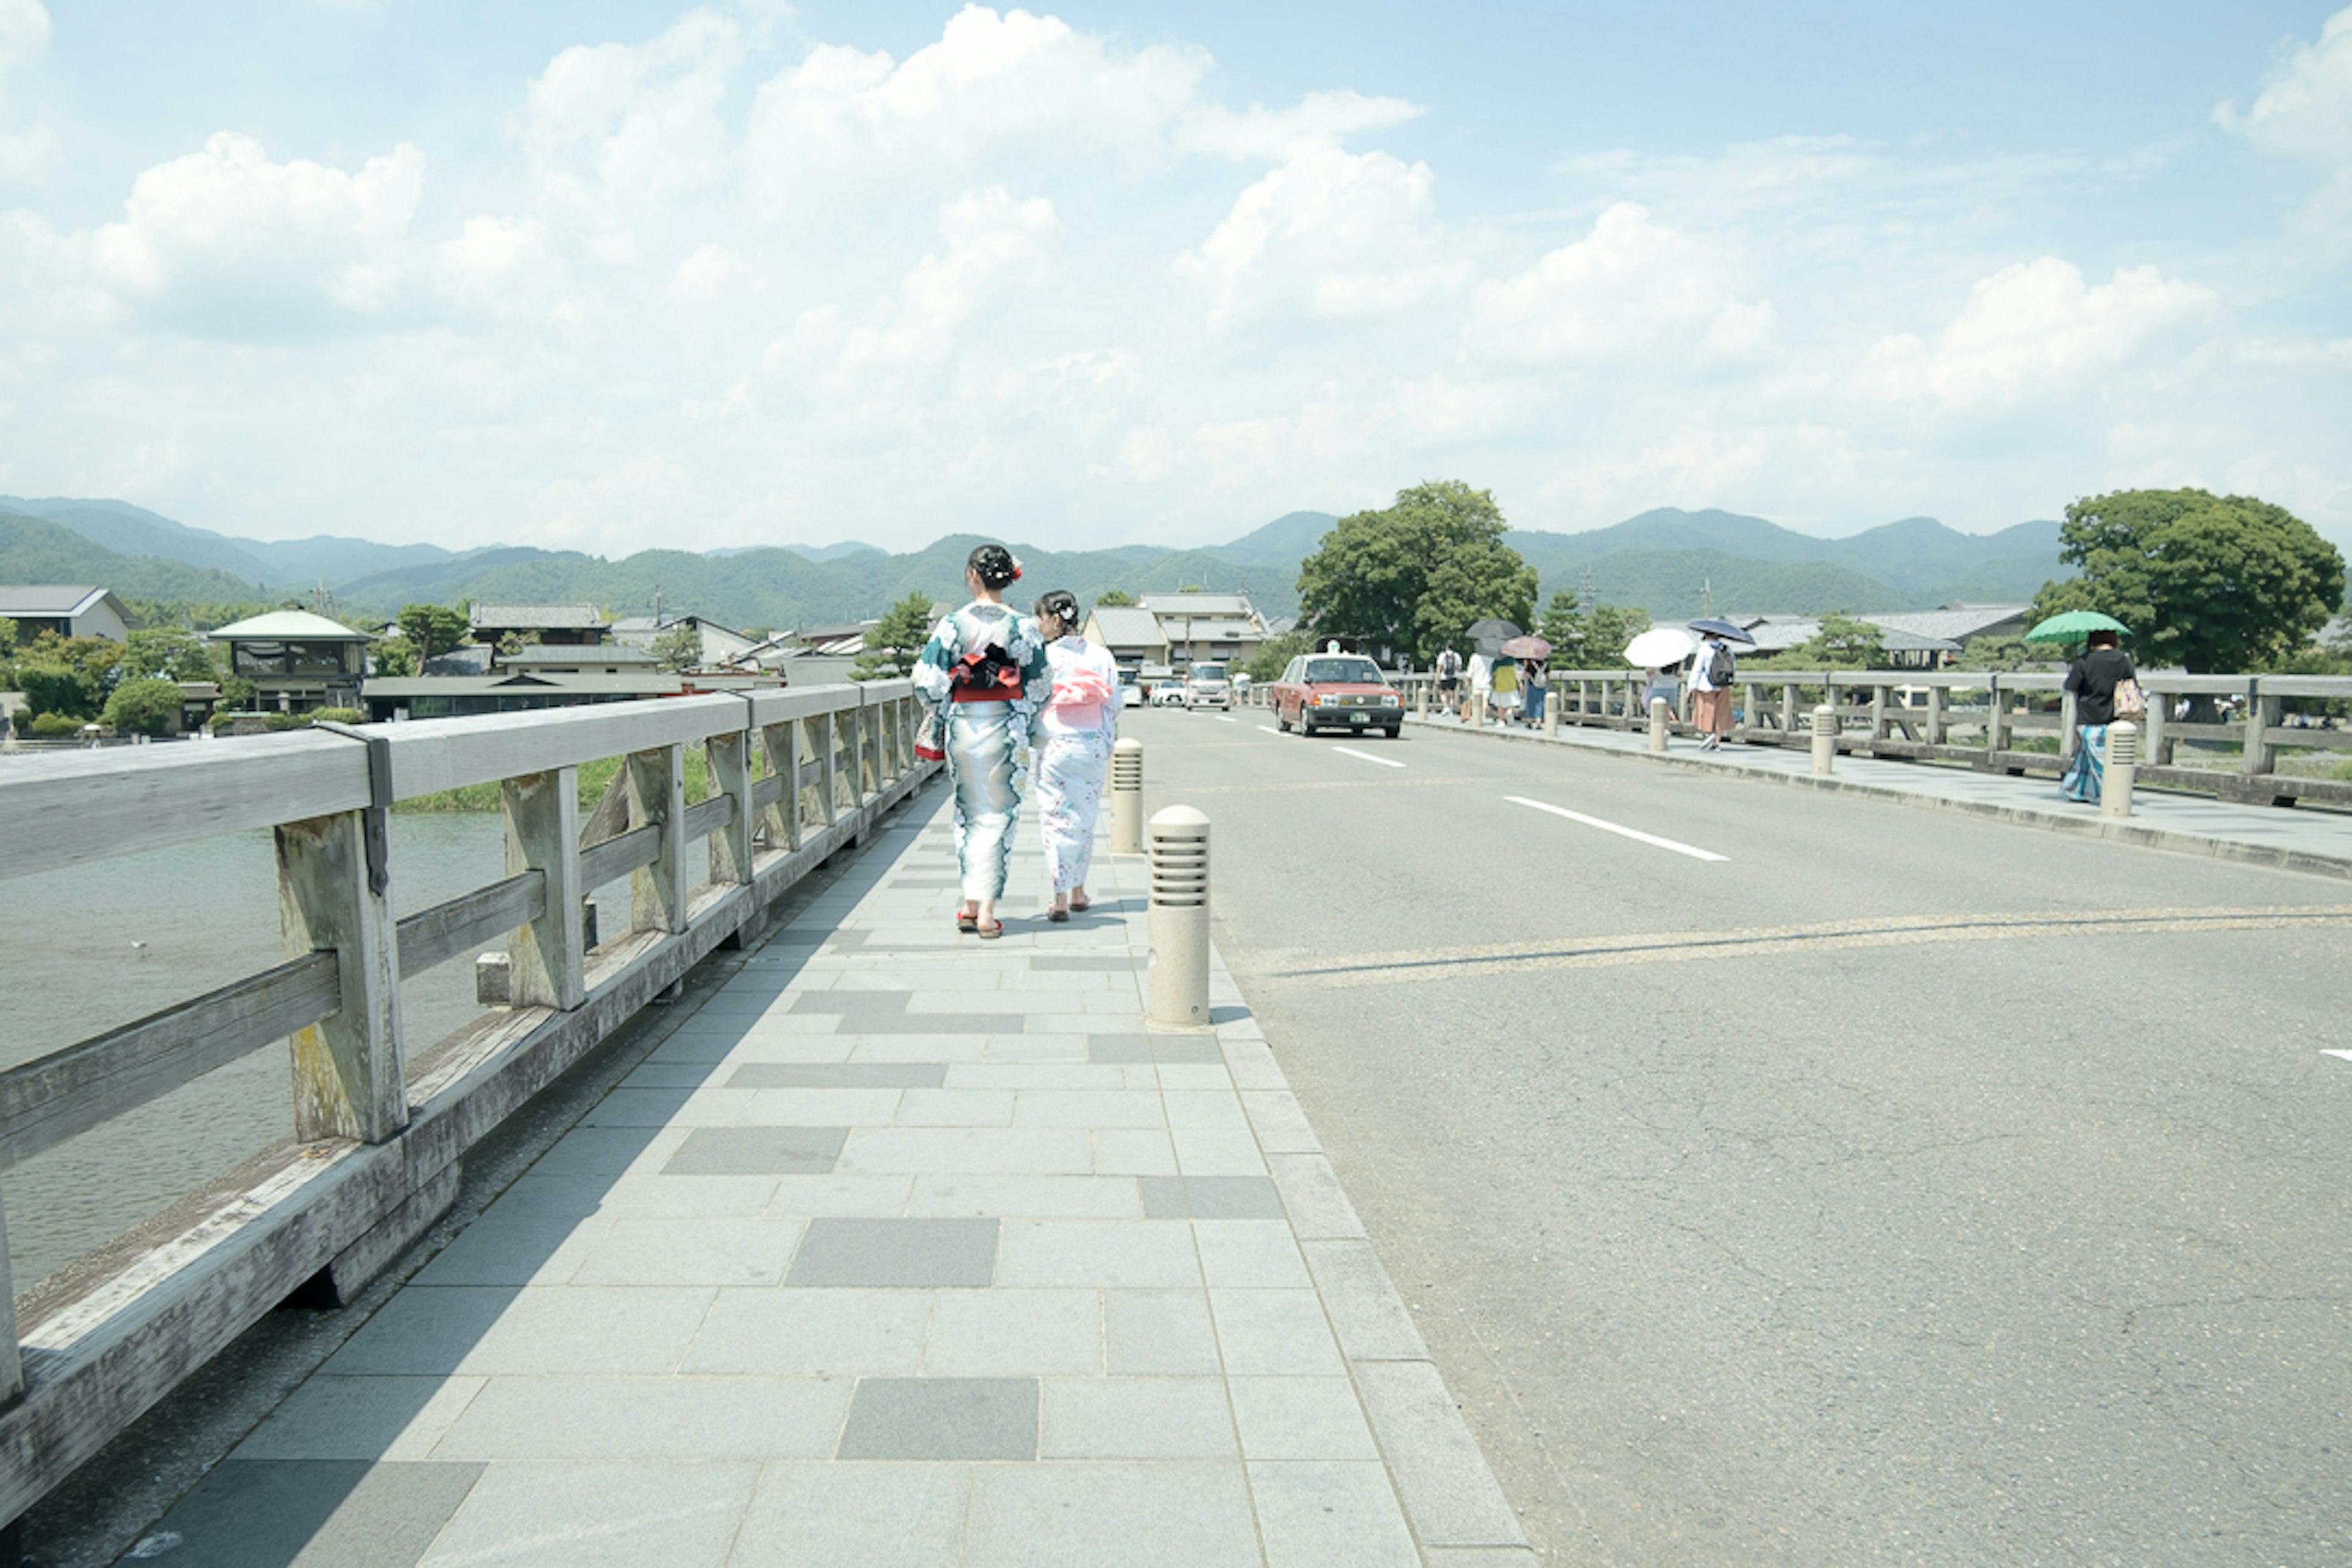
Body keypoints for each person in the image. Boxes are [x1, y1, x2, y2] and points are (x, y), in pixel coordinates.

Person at [914, 544, 1049, 938]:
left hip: (963, 730)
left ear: (973, 575)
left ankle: (970, 905)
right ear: (1008, 577)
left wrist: (946, 705)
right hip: (1007, 729)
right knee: (1000, 813)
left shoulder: (953, 624)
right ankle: (987, 909)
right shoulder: (1025, 626)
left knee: (968, 811)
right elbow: (1041, 685)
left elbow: (926, 680)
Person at [1030, 589, 1119, 922]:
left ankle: (1060, 898)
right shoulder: (1100, 655)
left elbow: (1033, 701)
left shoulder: (1044, 658)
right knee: (1084, 817)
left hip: (1056, 744)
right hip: (1091, 744)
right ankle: (1079, 890)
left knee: (1055, 819)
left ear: (1054, 619)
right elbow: (1115, 703)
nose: (1039, 625)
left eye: (1041, 618)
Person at [2060, 628, 2138, 805]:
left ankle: (2115, 791)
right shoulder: (2123, 659)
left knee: (2098, 758)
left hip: (2089, 715)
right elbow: (2130, 683)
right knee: (2088, 756)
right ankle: (2079, 791)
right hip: (2115, 717)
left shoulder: (2085, 660)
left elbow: (2071, 685)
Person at [1691, 633, 1736, 750]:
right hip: (1723, 685)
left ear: (1706, 637)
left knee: (1708, 712)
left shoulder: (1704, 649)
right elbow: (1733, 666)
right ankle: (1717, 741)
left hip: (1706, 686)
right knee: (1721, 713)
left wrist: (1692, 686)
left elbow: (1698, 668)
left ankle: (1709, 736)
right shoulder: (1726, 649)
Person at [1435, 644, 1463, 713]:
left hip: (1444, 677)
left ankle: (1446, 706)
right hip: (1453, 677)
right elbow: (1460, 668)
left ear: (1447, 647)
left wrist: (1437, 677)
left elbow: (1439, 667)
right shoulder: (1457, 656)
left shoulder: (1442, 655)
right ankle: (1451, 709)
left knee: (1442, 693)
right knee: (1451, 694)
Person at [1522, 657, 1547, 727]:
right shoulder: (1545, 665)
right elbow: (1548, 676)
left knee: (1531, 704)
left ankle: (1529, 721)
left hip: (1532, 686)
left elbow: (1525, 675)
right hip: (1542, 687)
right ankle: (1538, 721)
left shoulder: (1531, 664)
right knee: (1541, 704)